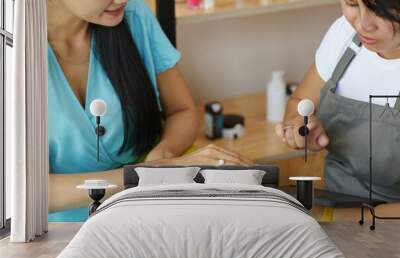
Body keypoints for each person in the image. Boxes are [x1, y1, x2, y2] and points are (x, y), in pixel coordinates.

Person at [47, 0, 251, 211]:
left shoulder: (134, 15)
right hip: (64, 232)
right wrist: (148, 174)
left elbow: (182, 110)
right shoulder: (14, 54)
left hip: (148, 209)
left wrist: (163, 155)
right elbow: (29, 194)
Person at [276, 0, 400, 202]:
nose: (362, 24)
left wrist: (343, 219)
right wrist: (299, 128)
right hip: (337, 203)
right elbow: (298, 102)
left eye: (381, 11)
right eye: (352, 3)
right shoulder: (344, 34)